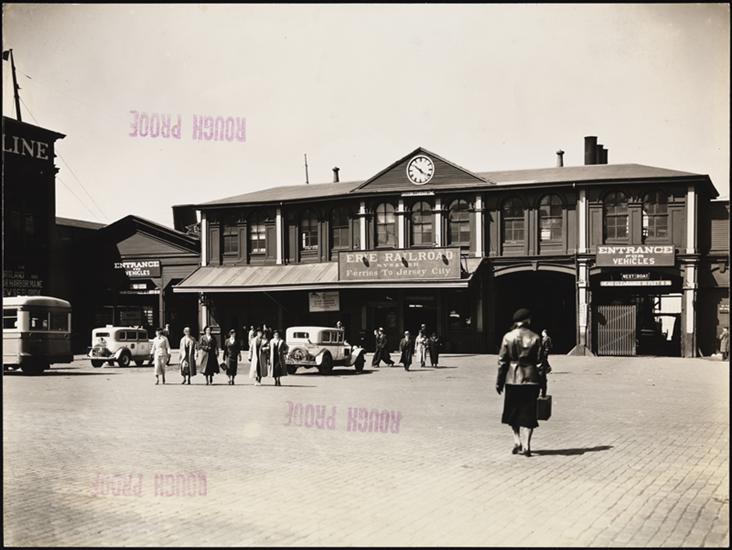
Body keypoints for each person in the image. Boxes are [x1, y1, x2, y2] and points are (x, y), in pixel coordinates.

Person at [496, 308, 543, 457]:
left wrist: (499, 381)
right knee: (529, 413)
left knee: (513, 411)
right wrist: (543, 383)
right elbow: (540, 363)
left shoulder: (508, 337)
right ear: (528, 320)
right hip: (531, 378)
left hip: (512, 378)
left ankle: (517, 440)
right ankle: (527, 444)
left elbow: (502, 361)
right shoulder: (536, 337)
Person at [539, 329, 553, 397]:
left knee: (544, 360)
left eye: (542, 332)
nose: (542, 333)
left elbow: (546, 347)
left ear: (544, 333)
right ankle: (548, 368)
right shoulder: (546, 338)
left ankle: (548, 368)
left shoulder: (546, 339)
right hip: (544, 353)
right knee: (545, 361)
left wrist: (545, 353)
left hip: (544, 353)